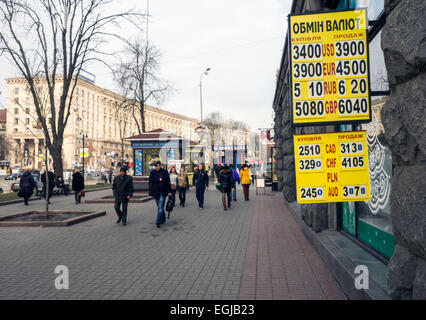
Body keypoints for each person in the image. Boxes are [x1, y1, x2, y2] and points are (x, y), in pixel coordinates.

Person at [149, 161, 172, 228]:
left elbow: (168, 182)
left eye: (158, 166)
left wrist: (169, 191)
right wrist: (158, 180)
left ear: (160, 166)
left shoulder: (164, 172)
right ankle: (163, 218)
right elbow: (151, 180)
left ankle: (158, 221)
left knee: (160, 207)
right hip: (155, 192)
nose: (157, 167)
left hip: (163, 192)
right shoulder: (152, 172)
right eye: (156, 166)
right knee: (160, 207)